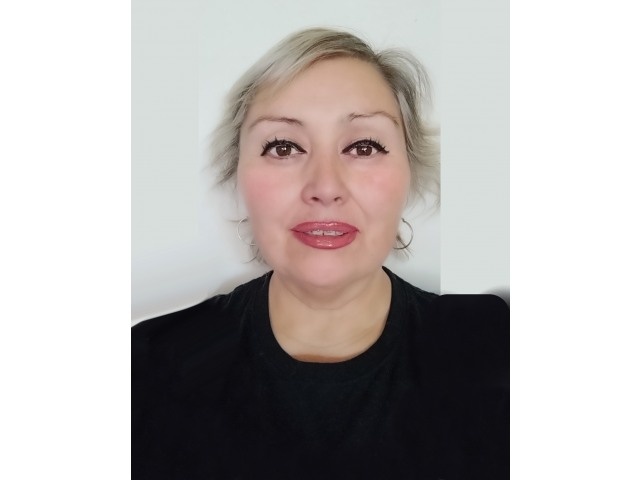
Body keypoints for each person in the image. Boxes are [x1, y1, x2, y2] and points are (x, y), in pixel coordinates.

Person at [132, 27, 509, 479]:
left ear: (410, 171)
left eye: (363, 146)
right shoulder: (145, 368)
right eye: (284, 147)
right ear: (239, 174)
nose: (325, 187)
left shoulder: (499, 346)